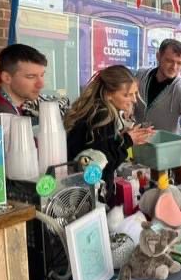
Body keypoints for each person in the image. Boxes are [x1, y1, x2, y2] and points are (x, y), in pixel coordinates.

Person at [65, 66, 154, 205]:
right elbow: (103, 162)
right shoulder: (102, 116)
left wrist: (122, 137)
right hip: (86, 198)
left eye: (135, 94)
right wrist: (128, 140)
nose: (134, 100)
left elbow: (99, 148)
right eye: (127, 95)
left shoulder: (96, 111)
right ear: (108, 94)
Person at [134, 39, 181, 150]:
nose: (174, 67)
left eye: (179, 63)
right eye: (169, 61)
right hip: (138, 146)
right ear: (158, 56)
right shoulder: (141, 74)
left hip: (165, 150)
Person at [0, 43, 47, 115]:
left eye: (42, 75)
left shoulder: (21, 105)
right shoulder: (1, 116)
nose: (41, 84)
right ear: (7, 78)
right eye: (31, 76)